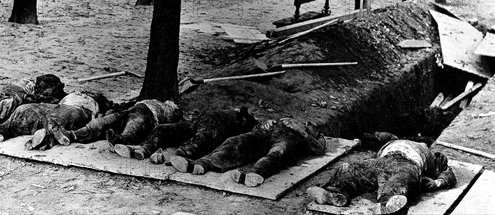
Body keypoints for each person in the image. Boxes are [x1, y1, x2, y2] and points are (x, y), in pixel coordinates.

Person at [307, 132, 457, 215]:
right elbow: (376, 136)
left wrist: (437, 183)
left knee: (399, 180)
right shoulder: (391, 141)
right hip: (381, 161)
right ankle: (335, 194)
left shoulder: (429, 154)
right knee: (351, 169)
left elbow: (448, 173)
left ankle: (386, 205)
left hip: (407, 164)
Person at [189, 118, 327, 187]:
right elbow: (255, 127)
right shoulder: (281, 119)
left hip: (288, 138)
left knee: (278, 152)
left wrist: (301, 131)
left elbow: (319, 149)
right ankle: (204, 164)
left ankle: (254, 173)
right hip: (265, 134)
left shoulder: (310, 130)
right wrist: (264, 124)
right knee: (237, 141)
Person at [113, 108, 259, 172]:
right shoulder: (239, 115)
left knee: (200, 140)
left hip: (215, 127)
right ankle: (144, 149)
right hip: (200, 120)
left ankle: (178, 157)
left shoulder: (246, 124)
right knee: (164, 129)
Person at [0, 91, 112, 150]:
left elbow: (109, 112)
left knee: (52, 120)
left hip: (77, 109)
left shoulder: (94, 101)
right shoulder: (70, 95)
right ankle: (0, 130)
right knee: (25, 110)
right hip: (60, 106)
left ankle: (47, 136)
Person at [50, 99, 182, 146]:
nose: (172, 103)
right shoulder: (162, 104)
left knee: (131, 129)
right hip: (134, 109)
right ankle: (72, 134)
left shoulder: (171, 112)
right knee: (102, 123)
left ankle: (120, 140)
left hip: (148, 116)